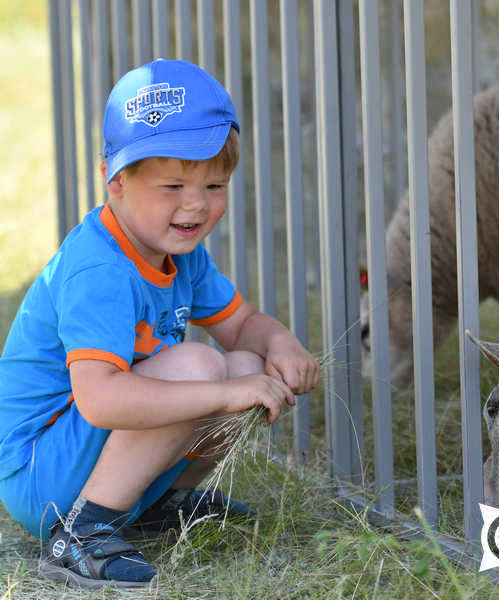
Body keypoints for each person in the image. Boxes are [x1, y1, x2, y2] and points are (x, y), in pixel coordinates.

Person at [0, 59, 320, 589]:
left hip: (90, 452)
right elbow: (101, 400)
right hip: (43, 476)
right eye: (173, 186)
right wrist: (222, 396)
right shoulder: (99, 269)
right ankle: (81, 533)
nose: (195, 206)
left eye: (214, 186)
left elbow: (242, 326)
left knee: (242, 362)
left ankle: (158, 505)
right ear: (116, 179)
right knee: (203, 368)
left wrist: (279, 343)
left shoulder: (178, 249)